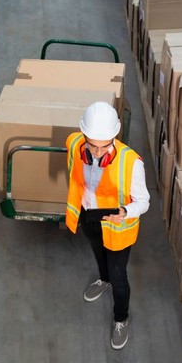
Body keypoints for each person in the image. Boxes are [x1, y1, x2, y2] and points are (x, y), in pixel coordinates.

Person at [65, 101, 150, 349]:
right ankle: (103, 280)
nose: (98, 152)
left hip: (117, 224)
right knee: (97, 253)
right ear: (83, 136)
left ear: (115, 135)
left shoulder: (131, 163)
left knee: (119, 275)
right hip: (88, 216)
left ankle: (121, 318)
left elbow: (144, 201)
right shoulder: (73, 144)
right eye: (92, 145)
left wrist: (125, 212)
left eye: (104, 147)